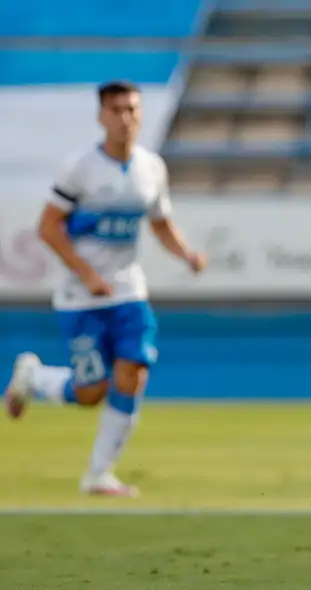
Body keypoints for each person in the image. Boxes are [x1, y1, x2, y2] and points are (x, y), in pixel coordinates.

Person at [3, 81, 207, 497]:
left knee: (133, 372)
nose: (125, 118)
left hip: (129, 292)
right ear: (101, 117)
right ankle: (34, 375)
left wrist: (185, 254)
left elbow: (160, 223)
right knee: (91, 392)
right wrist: (86, 273)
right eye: (116, 110)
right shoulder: (79, 169)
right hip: (82, 297)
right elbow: (48, 227)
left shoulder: (152, 168)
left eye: (132, 109)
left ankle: (99, 474)